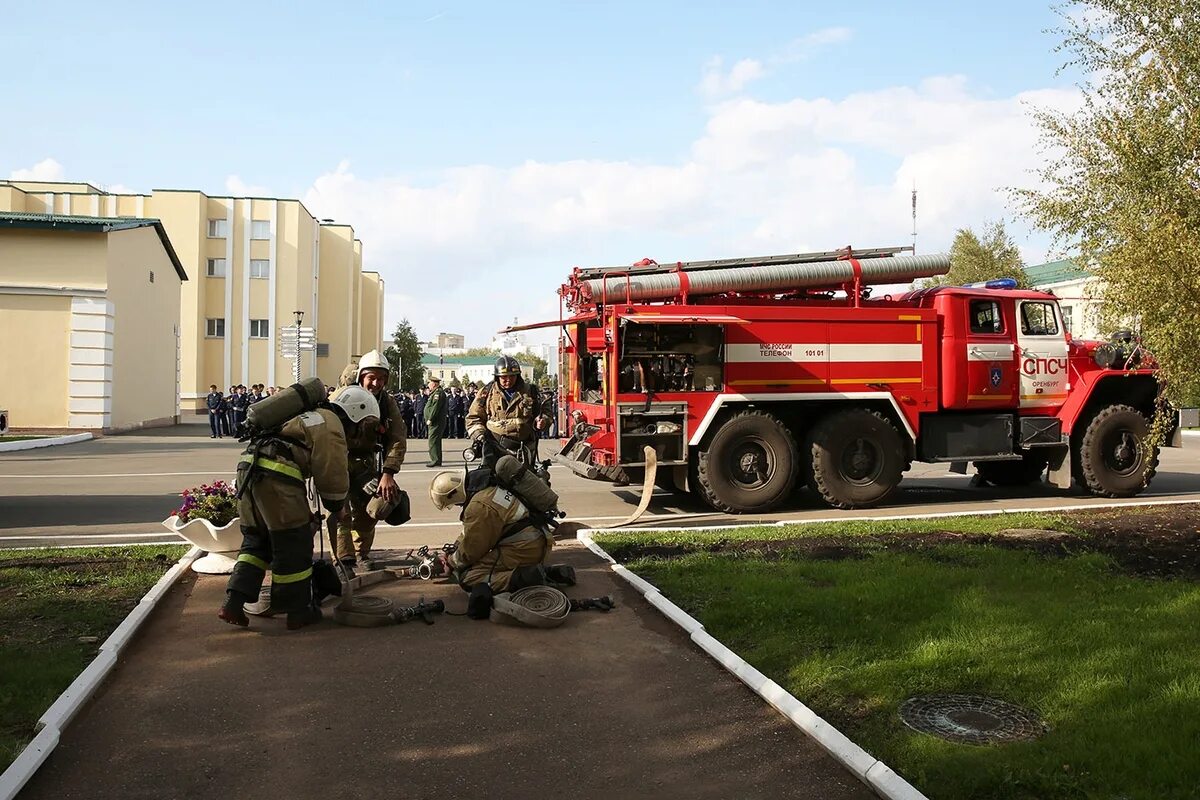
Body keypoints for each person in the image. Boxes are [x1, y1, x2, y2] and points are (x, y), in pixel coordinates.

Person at [219, 384, 379, 631]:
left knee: (256, 542)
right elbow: (332, 473)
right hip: (276, 476)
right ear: (355, 413)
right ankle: (298, 611)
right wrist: (337, 507)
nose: (359, 433)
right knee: (294, 544)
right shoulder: (330, 423)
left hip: (248, 471)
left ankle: (233, 603)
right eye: (363, 425)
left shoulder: (306, 414)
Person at [428, 470, 571, 593]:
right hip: (535, 542)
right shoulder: (487, 488)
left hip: (523, 548)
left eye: (452, 503)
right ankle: (545, 573)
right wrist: (455, 547)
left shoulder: (479, 506)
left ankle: (529, 579)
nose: (456, 506)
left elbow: (474, 548)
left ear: (454, 494)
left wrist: (452, 563)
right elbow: (471, 532)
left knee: (469, 577)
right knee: (476, 564)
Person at [334, 350, 408, 571]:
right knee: (340, 514)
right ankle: (343, 559)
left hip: (366, 465)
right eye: (371, 378)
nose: (375, 383)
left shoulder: (387, 402)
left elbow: (397, 438)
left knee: (373, 510)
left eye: (381, 378)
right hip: (337, 463)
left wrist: (388, 474)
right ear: (360, 377)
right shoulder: (340, 398)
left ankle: (361, 554)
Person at [466, 356, 549, 464]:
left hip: (524, 449)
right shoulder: (486, 393)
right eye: (504, 377)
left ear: (518, 375)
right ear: (497, 377)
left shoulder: (531, 391)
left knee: (529, 479)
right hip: (494, 448)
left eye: (512, 376)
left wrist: (543, 422)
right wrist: (480, 436)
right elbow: (473, 418)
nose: (508, 380)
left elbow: (546, 412)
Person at [423, 376, 447, 466]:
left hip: (436, 421)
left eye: (430, 383)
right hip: (435, 421)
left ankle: (435, 460)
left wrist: (430, 418)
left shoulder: (438, 393)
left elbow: (435, 408)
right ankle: (437, 459)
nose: (428, 385)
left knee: (433, 440)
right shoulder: (435, 393)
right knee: (435, 441)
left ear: (434, 384)